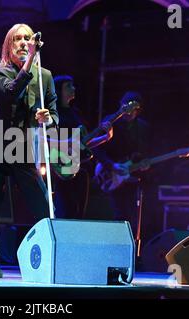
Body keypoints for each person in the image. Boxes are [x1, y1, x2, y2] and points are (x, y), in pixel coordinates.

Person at [0, 23, 58, 278]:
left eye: (28, 39)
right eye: (18, 39)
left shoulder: (45, 75)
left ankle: (53, 252)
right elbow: (9, 95)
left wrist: (49, 119)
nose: (23, 43)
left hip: (22, 143)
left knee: (41, 199)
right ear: (8, 46)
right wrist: (30, 61)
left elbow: (55, 113)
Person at [52, 75, 113, 219]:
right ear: (59, 91)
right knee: (65, 209)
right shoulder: (53, 115)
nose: (73, 88)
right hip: (63, 166)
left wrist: (105, 137)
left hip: (81, 167)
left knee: (79, 211)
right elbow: (49, 140)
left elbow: (84, 143)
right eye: (68, 86)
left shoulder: (76, 113)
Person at [93, 91, 150, 230]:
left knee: (132, 218)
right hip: (110, 175)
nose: (129, 112)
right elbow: (96, 148)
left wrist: (144, 164)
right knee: (116, 214)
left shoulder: (143, 127)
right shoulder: (111, 121)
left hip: (130, 177)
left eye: (133, 109)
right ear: (121, 106)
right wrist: (111, 165)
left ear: (138, 110)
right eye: (126, 107)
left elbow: (143, 152)